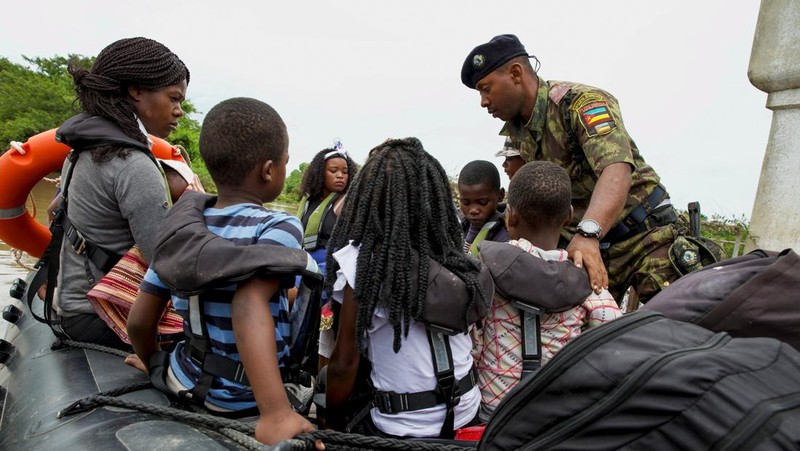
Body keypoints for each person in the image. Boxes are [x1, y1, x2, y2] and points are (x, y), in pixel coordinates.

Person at [127, 97, 318, 446]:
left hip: (184, 378)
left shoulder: (181, 226)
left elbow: (139, 322)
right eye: (286, 163)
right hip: (244, 398)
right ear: (269, 170)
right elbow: (247, 304)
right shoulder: (280, 226)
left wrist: (155, 363)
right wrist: (276, 414)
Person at [462, 34, 680, 303]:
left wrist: (589, 234)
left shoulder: (581, 104)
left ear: (515, 74)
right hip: (581, 245)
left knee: (676, 321)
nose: (483, 101)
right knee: (574, 333)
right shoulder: (518, 131)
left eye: (486, 89)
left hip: (642, 235)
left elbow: (616, 169)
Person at [325, 138, 488, 438]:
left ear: (366, 196)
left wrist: (331, 425)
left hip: (402, 428)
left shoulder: (363, 263)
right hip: (467, 411)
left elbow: (344, 364)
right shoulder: (454, 254)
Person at [52, 37, 189, 349]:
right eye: (174, 98)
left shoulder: (82, 151)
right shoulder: (132, 164)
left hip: (72, 309)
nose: (179, 111)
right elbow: (166, 262)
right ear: (136, 90)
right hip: (97, 315)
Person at [472, 161, 622, 422]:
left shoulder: (484, 272)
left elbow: (471, 347)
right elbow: (614, 339)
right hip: (554, 417)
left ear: (510, 215)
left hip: (493, 414)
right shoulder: (588, 283)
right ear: (569, 217)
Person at [296, 143, 358, 370]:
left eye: (345, 171)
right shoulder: (308, 201)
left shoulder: (346, 201)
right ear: (319, 173)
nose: (341, 176)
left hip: (326, 272)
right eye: (334, 170)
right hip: (302, 264)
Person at [457, 160, 509, 256]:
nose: (473, 210)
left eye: (483, 203)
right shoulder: (457, 226)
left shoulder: (504, 238)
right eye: (466, 203)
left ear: (500, 195)